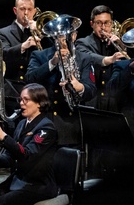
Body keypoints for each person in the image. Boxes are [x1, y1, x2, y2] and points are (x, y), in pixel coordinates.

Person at [0, 82, 59, 205]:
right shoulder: (22, 124)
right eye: (20, 100)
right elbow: (11, 158)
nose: (21, 104)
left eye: (26, 100)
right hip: (19, 181)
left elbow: (27, 156)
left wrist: (4, 137)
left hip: (37, 186)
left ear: (39, 103)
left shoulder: (47, 128)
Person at [25, 15, 96, 148]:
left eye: (68, 34)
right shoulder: (40, 55)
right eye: (59, 35)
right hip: (45, 121)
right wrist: (52, 62)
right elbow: (29, 79)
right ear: (53, 36)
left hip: (71, 124)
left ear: (75, 35)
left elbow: (92, 90)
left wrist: (80, 87)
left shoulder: (85, 58)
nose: (62, 39)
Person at [73, 5, 131, 112]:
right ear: (92, 24)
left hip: (116, 103)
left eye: (107, 23)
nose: (103, 27)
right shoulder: (82, 42)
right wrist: (111, 59)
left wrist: (122, 46)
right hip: (92, 101)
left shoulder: (117, 44)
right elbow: (88, 57)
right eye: (99, 23)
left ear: (112, 24)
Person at [0, 0, 42, 109]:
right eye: (22, 9)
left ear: (35, 11)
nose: (26, 13)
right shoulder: (3, 33)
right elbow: (3, 54)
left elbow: (49, 55)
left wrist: (42, 34)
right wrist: (24, 45)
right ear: (15, 10)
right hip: (13, 90)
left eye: (29, 9)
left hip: (36, 90)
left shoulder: (41, 32)